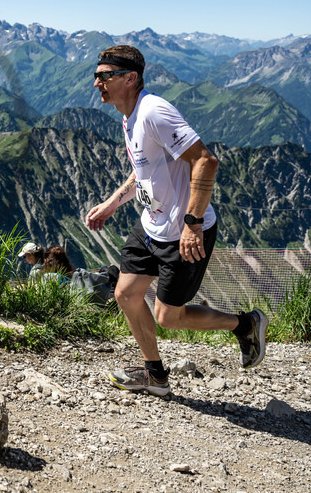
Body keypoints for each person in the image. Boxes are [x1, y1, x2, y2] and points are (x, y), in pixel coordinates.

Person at [84, 45, 267, 397]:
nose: (97, 83)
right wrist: (111, 204)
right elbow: (144, 171)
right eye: (96, 75)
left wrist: (193, 223)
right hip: (151, 225)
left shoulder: (154, 112)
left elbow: (206, 161)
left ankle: (245, 324)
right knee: (125, 294)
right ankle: (155, 376)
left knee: (169, 316)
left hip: (182, 233)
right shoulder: (129, 115)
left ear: (130, 78)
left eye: (104, 76)